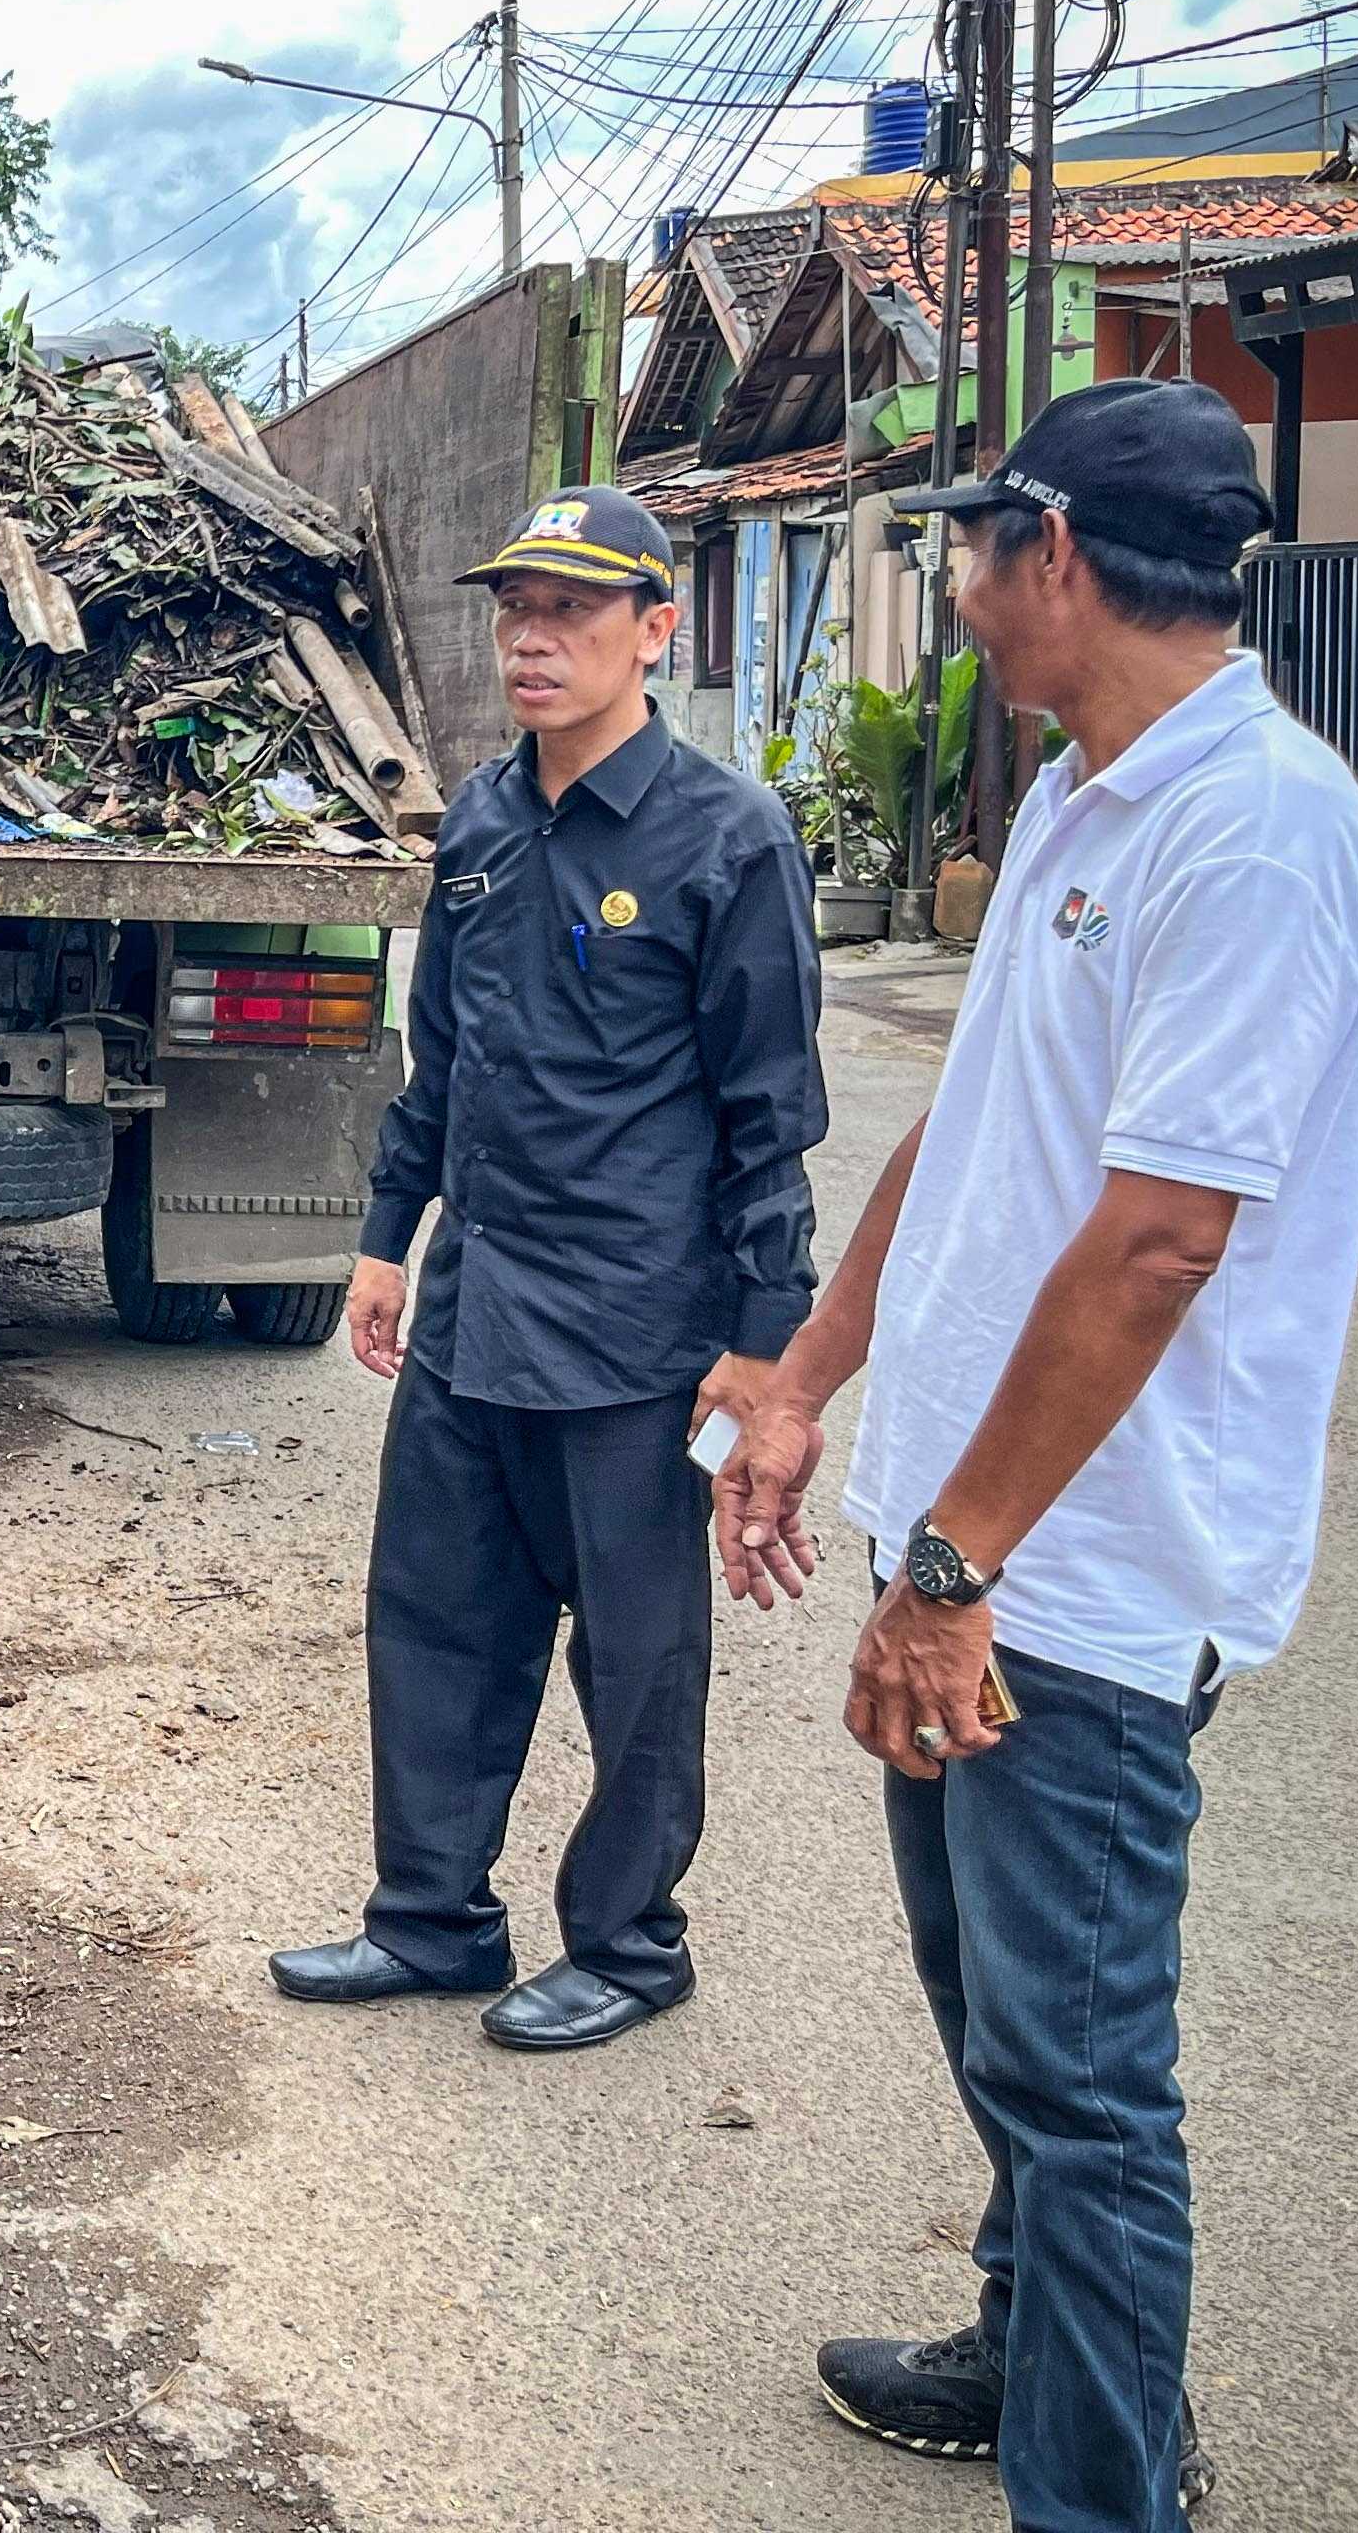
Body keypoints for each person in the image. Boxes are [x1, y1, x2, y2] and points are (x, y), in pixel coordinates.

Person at [720, 379, 1358, 2531]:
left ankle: (1107, 2494)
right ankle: (1028, 2357)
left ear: (1061, 554)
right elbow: (976, 1131)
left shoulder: (1256, 828)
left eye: (970, 546)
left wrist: (952, 1571)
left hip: (1071, 1586)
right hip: (985, 1543)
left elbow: (1166, 1236)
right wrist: (809, 1373)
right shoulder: (1096, 801)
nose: (959, 585)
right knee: (1000, 2022)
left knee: (1088, 2087)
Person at [271, 485, 826, 2053]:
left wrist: (761, 1340)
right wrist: (388, 1243)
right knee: (437, 1619)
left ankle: (632, 1947)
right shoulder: (484, 820)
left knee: (639, 1661)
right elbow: (436, 1070)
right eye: (519, 605)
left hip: (639, 1332)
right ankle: (432, 1920)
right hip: (474, 1309)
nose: (535, 634)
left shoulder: (730, 839)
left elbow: (768, 1120)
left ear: (658, 627)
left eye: (577, 608)